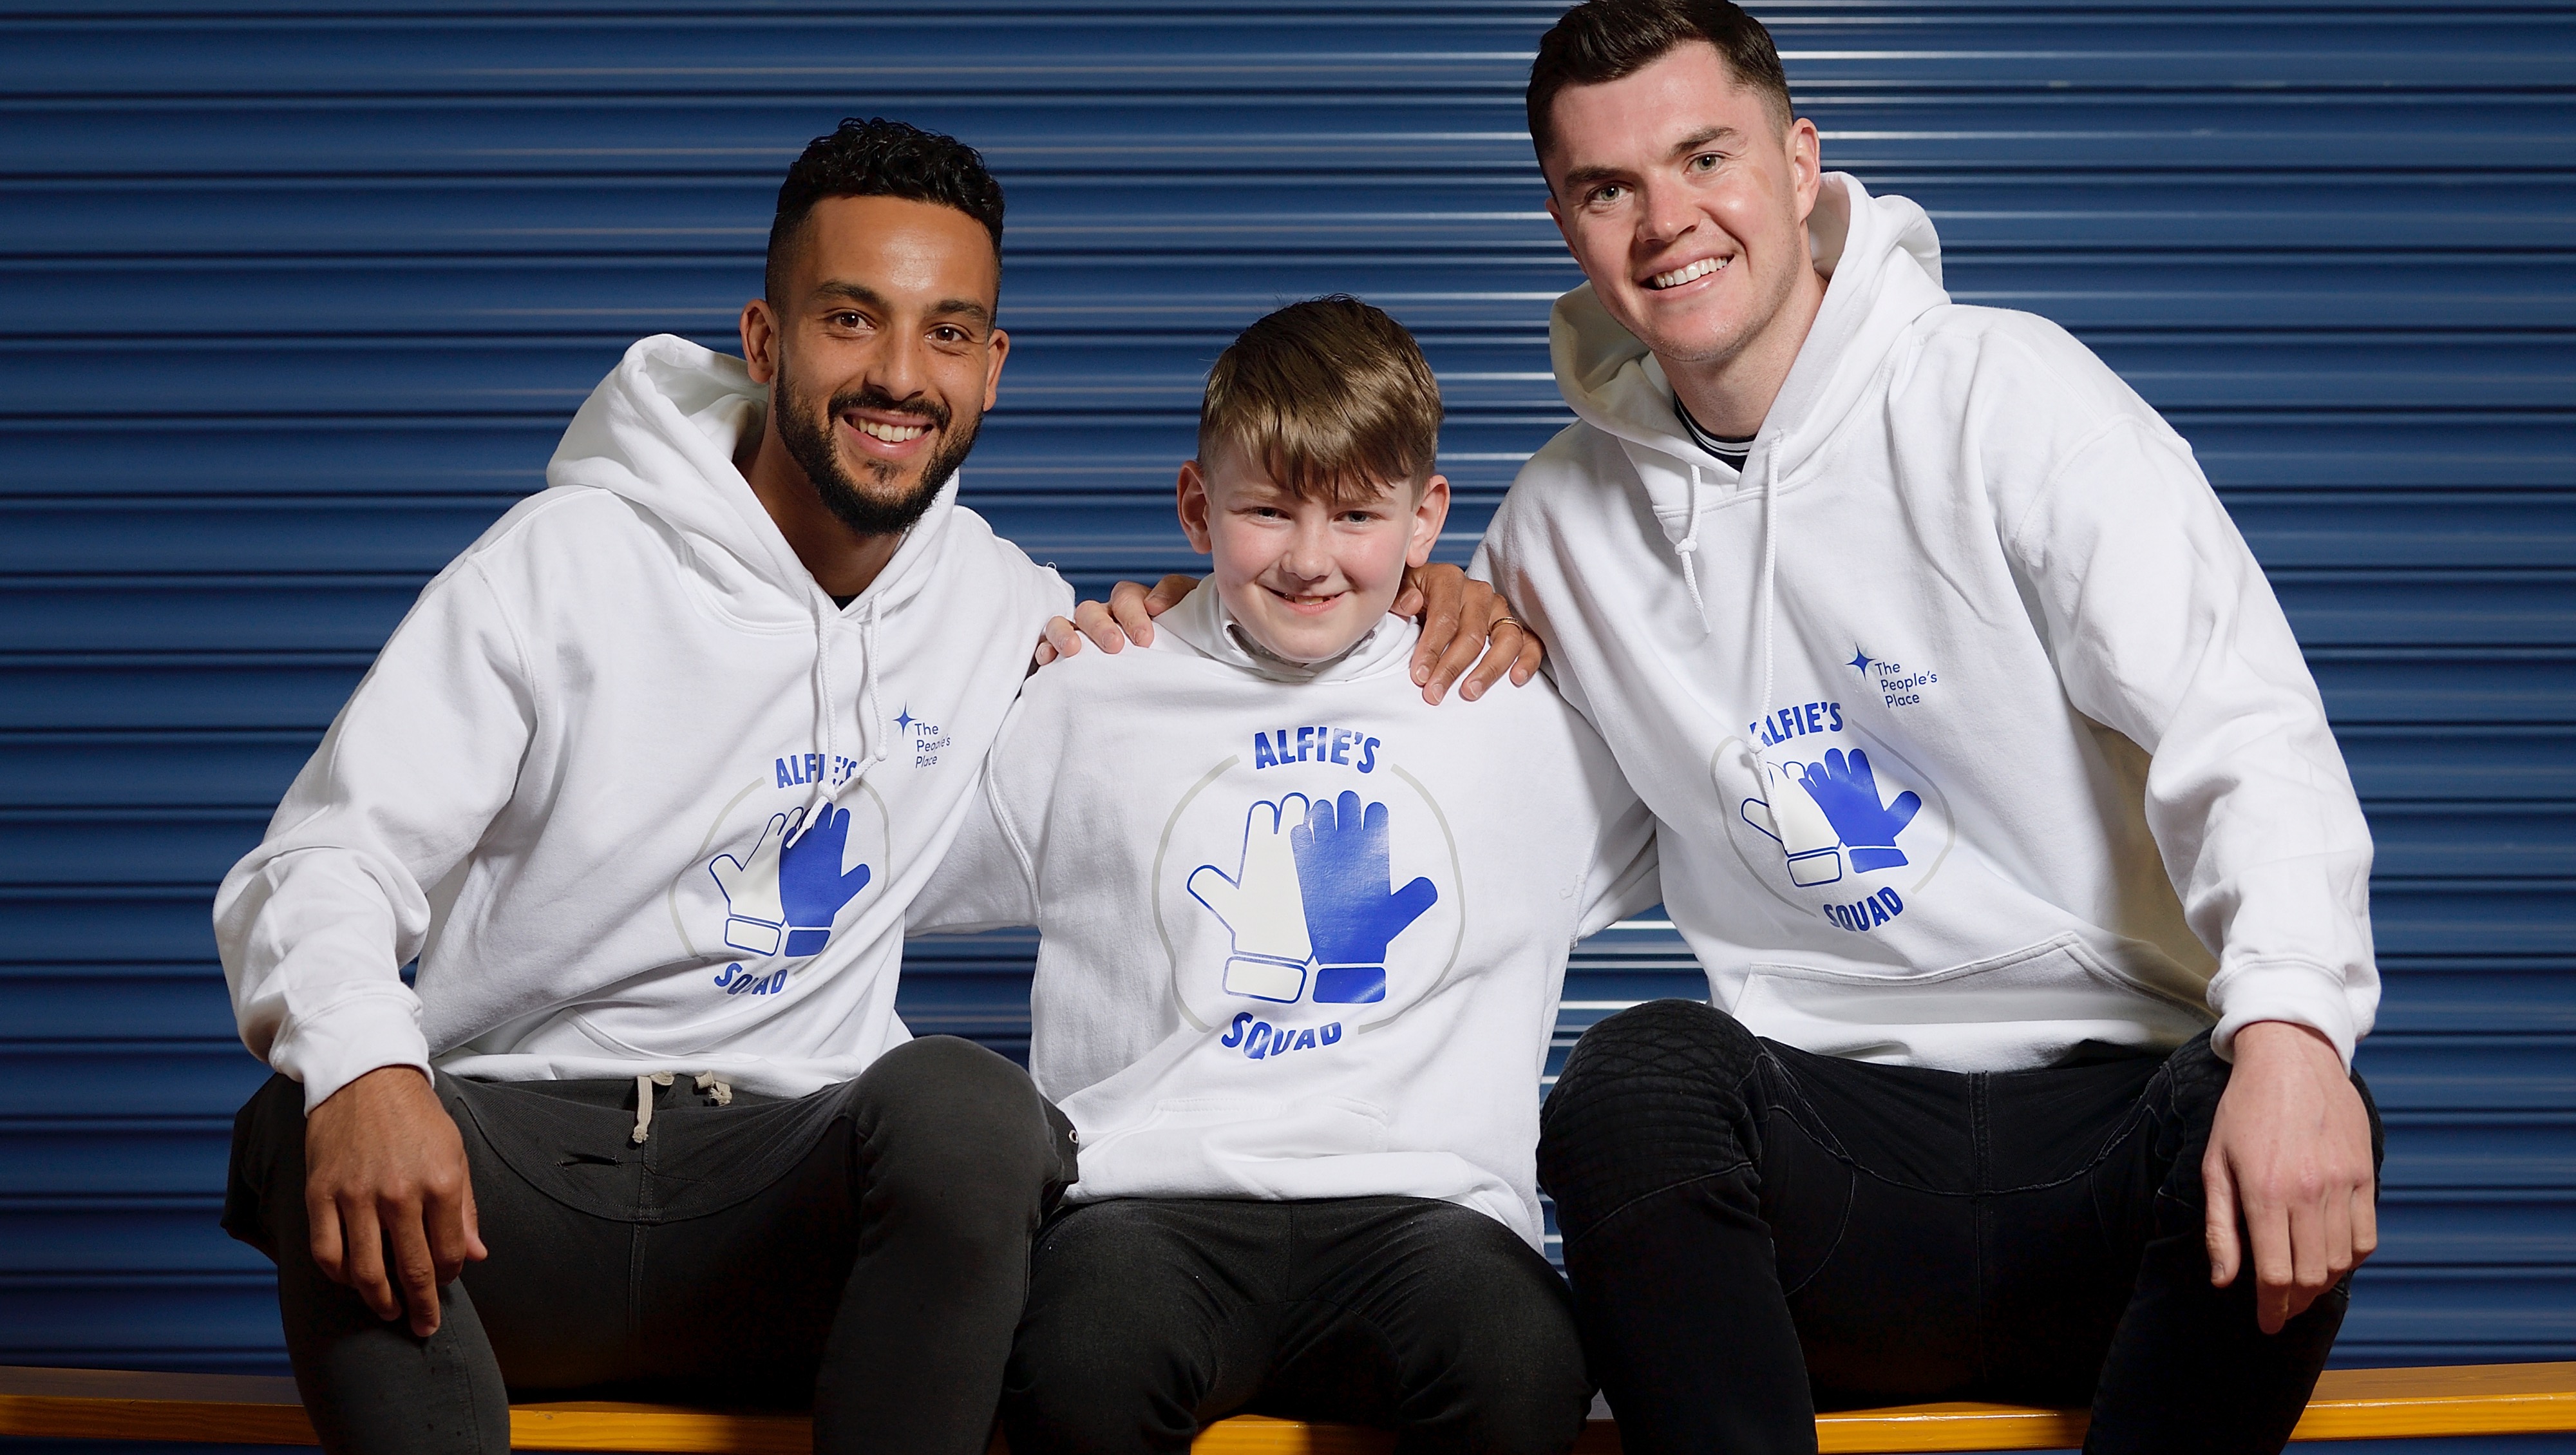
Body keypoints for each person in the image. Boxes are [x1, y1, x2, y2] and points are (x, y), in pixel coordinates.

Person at [212, 120, 1523, 1455]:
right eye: (852, 319)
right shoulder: (559, 568)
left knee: (970, 1111)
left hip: (791, 1213)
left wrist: (1428, 592)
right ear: (767, 339)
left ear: (992, 369)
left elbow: (1213, 693)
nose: (899, 374)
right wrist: (370, 1073)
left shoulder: (1005, 610)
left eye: (947, 332)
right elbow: (321, 862)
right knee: (300, 1112)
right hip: (512, 1194)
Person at [1472, 3, 2383, 1452]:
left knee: (2278, 1066)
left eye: (1703, 155)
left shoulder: (2006, 397)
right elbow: (1513, 847)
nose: (1665, 222)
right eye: (1607, 188)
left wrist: (2293, 1027)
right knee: (1631, 1077)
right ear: (1565, 224)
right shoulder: (1552, 528)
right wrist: (1271, 640)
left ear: (1798, 159)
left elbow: (2244, 720)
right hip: (1829, 1183)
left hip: (2110, 1143)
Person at [911, 297, 1660, 1455]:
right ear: (1196, 506)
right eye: (1266, 511)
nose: (1310, 558)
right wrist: (1002, 671)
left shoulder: (1513, 709)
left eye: (1358, 513)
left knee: (1522, 1359)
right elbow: (878, 880)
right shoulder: (1091, 693)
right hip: (1143, 1210)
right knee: (1076, 1363)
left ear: (1428, 520)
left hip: (1433, 1213)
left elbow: (1726, 828)